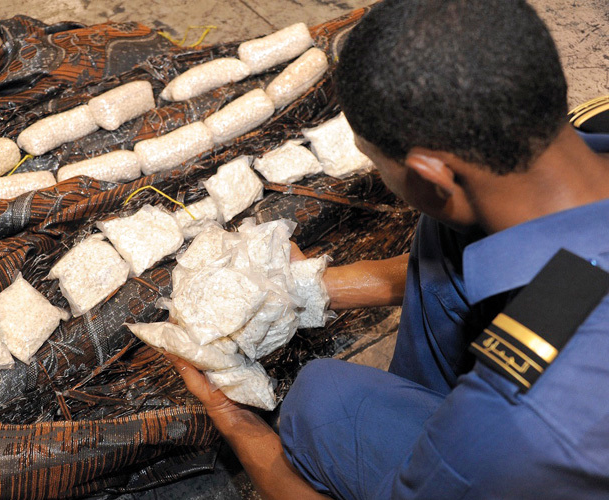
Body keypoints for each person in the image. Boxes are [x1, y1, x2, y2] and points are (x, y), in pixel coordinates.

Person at [166, 0, 609, 498]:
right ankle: (424, 400)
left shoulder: (517, 418)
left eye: (373, 159)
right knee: (448, 231)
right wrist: (307, 289)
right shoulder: (594, 129)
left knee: (323, 402)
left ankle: (431, 427)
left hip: (530, 436)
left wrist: (235, 422)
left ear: (429, 173)